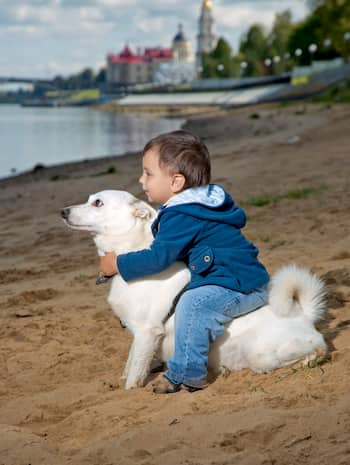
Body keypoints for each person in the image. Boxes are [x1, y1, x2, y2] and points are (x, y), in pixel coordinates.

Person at [100, 130, 269, 394]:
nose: (141, 180)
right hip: (237, 277)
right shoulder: (197, 205)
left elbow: (159, 258)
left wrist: (118, 264)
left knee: (194, 305)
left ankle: (186, 373)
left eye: (148, 173)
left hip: (238, 286)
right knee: (181, 298)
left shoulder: (181, 214)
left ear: (176, 182)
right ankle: (165, 355)